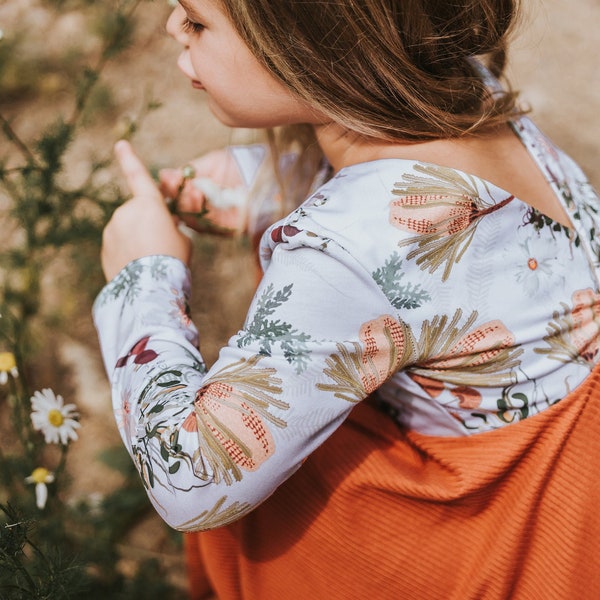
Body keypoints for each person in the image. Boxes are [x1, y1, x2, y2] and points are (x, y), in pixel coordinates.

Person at [93, 0, 600, 598]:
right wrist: (267, 187)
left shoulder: (350, 250)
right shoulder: (458, 85)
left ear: (309, 48)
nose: (173, 28)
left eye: (197, 21)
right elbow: (414, 221)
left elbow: (195, 482)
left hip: (484, 532)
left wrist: (142, 277)